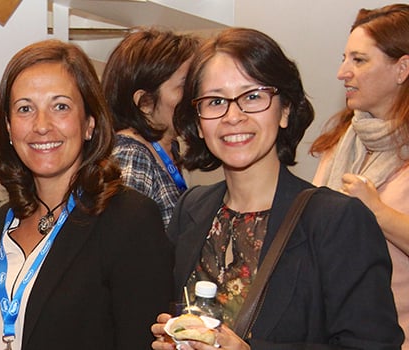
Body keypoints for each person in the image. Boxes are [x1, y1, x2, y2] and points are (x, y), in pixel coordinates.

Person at [149, 27, 403, 349]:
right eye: (215, 101)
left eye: (252, 96)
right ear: (199, 123)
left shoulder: (337, 221)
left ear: (284, 110)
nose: (233, 116)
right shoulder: (192, 208)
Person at [0, 39, 173, 349]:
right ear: (9, 128)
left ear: (90, 123)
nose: (41, 125)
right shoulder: (2, 218)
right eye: (25, 109)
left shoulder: (129, 219)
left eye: (60, 106)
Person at [311, 4, 409, 348]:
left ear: (402, 68)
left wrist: (377, 213)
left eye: (359, 60)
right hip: (326, 334)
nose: (342, 72)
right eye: (344, 58)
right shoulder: (340, 142)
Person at [101, 27, 198, 227]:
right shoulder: (131, 156)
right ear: (145, 102)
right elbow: (122, 244)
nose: (196, 96)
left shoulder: (168, 149)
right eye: (184, 86)